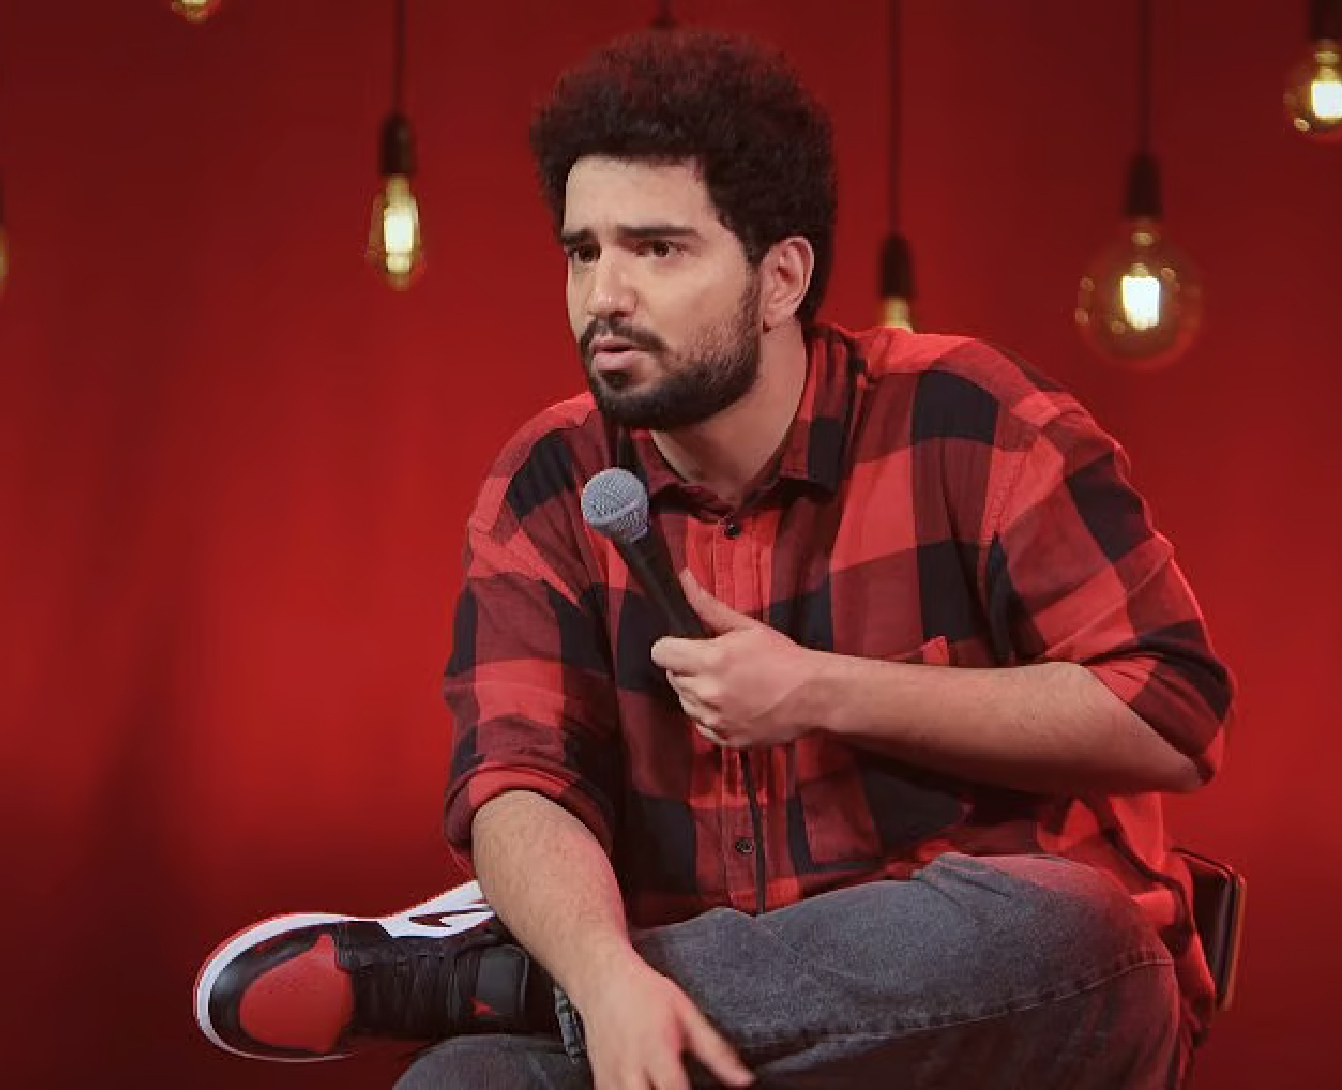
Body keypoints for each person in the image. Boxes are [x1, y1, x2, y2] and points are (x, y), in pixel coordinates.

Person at [194, 26, 1233, 1090]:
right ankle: (559, 992)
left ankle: (512, 986)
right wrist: (603, 978)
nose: (604, 295)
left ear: (781, 278)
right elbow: (516, 784)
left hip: (983, 1037)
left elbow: (1172, 715)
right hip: (689, 1056)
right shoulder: (548, 480)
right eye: (583, 251)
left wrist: (821, 689)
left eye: (657, 249)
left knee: (1078, 938)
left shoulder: (972, 418)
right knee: (456, 1086)